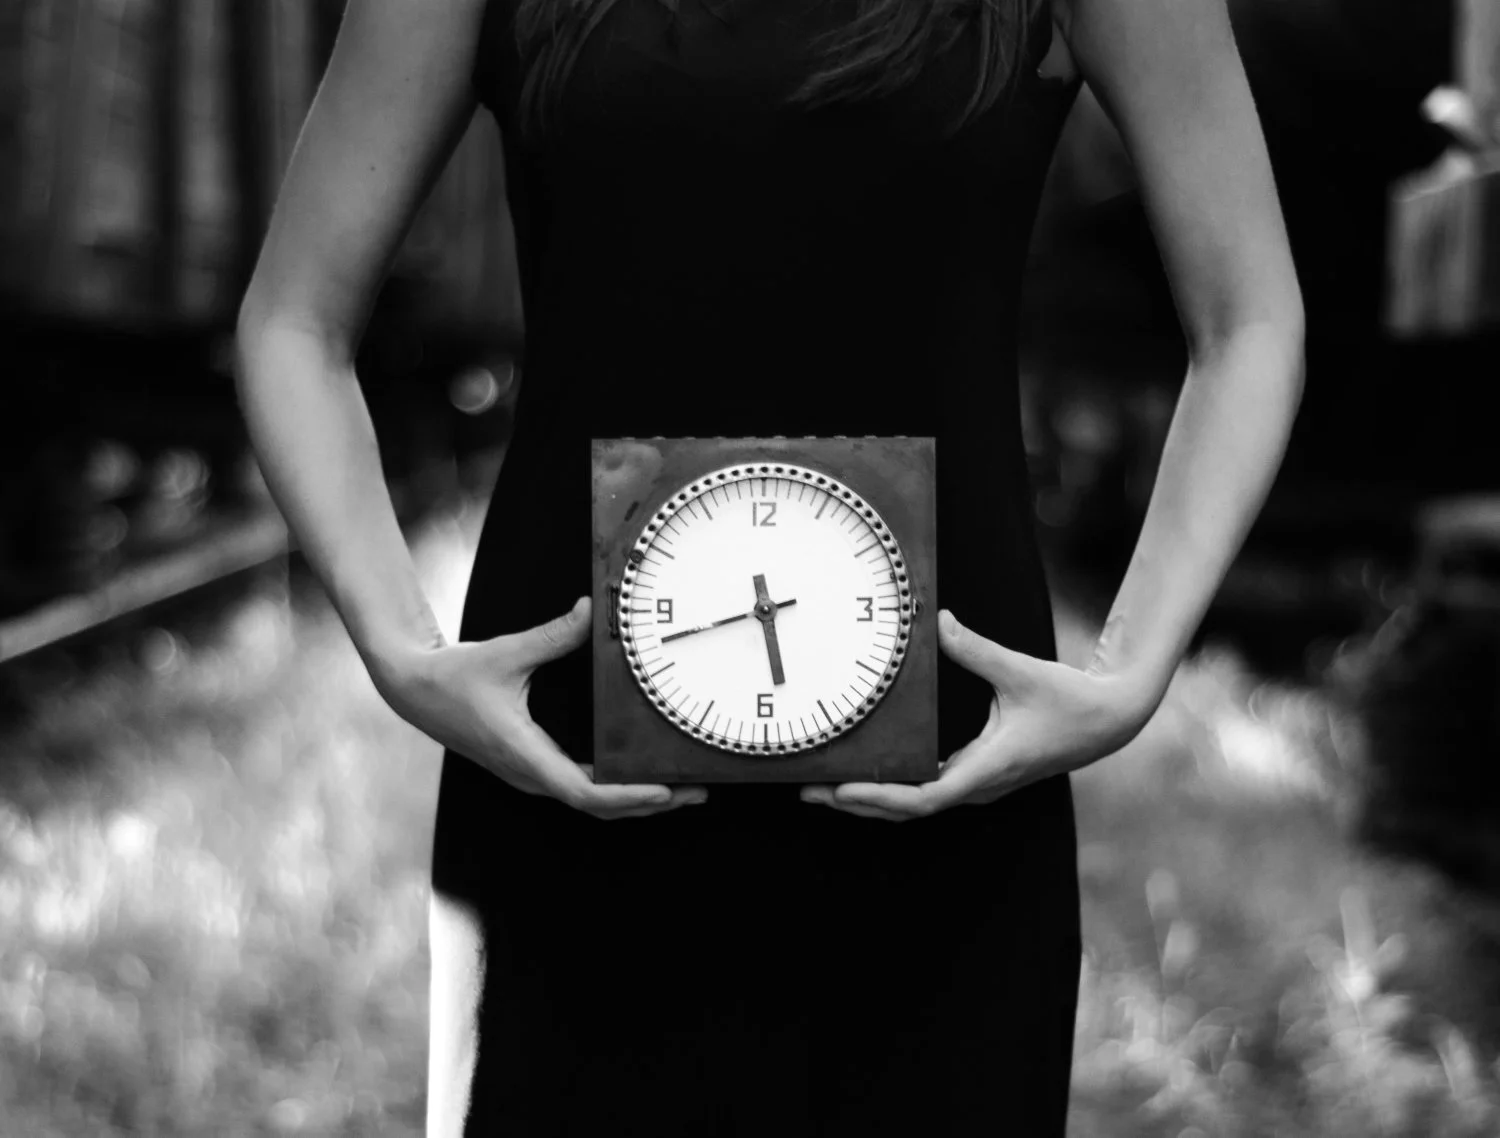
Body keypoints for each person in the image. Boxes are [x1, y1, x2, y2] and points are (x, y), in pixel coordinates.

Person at [233, 0, 1304, 1133]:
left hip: (947, 777)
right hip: (570, 767)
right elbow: (293, 320)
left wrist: (1132, 672)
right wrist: (401, 650)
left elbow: (1248, 318)